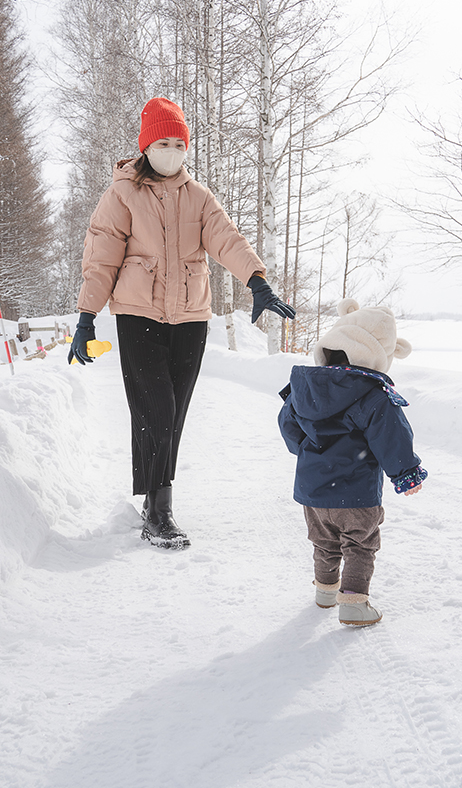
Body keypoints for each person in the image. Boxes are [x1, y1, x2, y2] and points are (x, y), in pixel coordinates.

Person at [69, 96, 295, 549]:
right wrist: (86, 315)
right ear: (147, 146)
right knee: (158, 410)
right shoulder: (122, 194)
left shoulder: (199, 197)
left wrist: (256, 279)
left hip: (191, 319)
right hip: (138, 316)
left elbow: (226, 237)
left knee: (172, 416)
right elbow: (101, 258)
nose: (173, 150)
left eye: (180, 142)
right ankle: (161, 512)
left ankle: (155, 499)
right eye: (163, 141)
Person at [278, 298, 427, 626]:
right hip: (356, 493)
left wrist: (308, 450)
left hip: (313, 492)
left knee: (324, 541)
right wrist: (406, 473)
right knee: (360, 543)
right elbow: (392, 435)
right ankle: (354, 604)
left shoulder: (305, 388)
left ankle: (325, 592)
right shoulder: (373, 394)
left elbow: (288, 426)